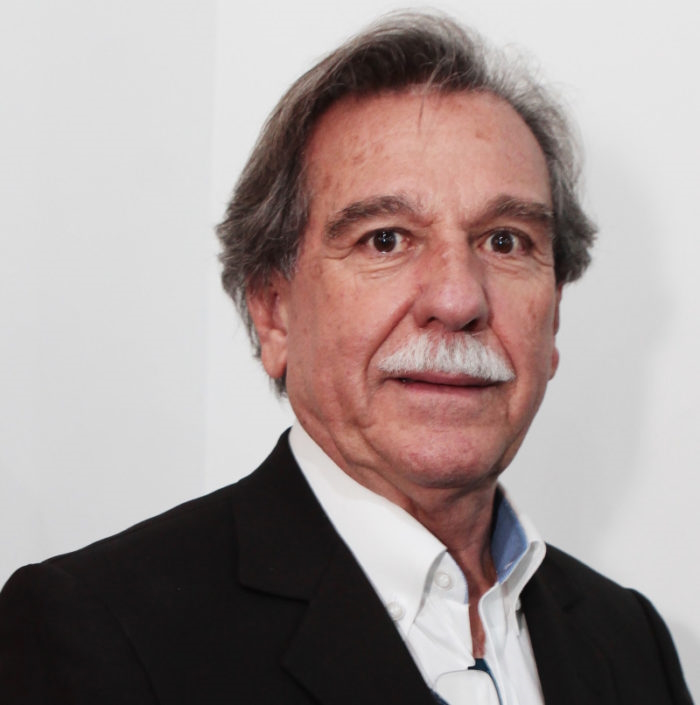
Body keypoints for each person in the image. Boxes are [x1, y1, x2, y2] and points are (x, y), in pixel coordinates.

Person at [0, 11, 692, 705]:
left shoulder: (628, 640)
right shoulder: (98, 633)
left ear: (555, 315)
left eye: (505, 241)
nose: (458, 299)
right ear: (274, 311)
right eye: (385, 239)